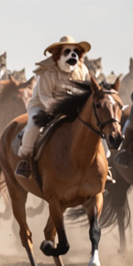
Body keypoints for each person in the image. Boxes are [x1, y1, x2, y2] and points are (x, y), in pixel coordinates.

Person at [14, 36, 91, 179]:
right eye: (67, 51)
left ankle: (104, 164)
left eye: (75, 52)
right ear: (58, 55)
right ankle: (25, 160)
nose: (73, 55)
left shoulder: (83, 70)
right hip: (43, 106)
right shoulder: (47, 72)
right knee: (33, 125)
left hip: (72, 108)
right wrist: (59, 111)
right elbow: (45, 97)